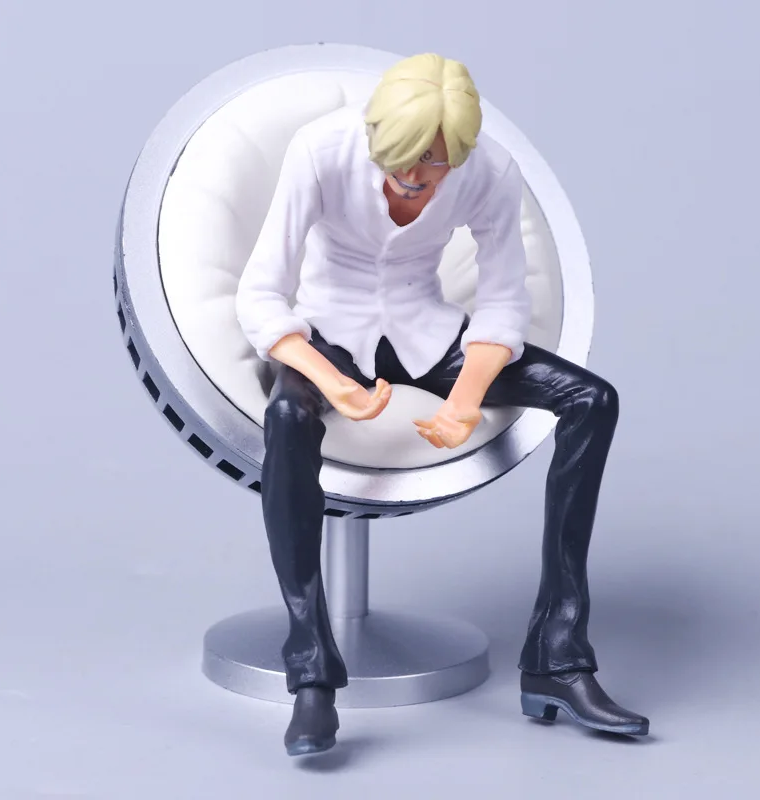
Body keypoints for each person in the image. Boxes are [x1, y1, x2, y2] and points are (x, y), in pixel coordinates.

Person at [235, 52, 649, 756]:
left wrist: (464, 398)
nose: (416, 175)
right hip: (328, 335)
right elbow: (261, 292)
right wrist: (331, 383)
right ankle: (311, 674)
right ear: (376, 131)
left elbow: (503, 300)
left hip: (426, 334)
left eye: (435, 162)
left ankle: (556, 658)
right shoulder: (321, 150)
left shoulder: (489, 170)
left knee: (591, 399)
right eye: (404, 156)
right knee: (286, 416)